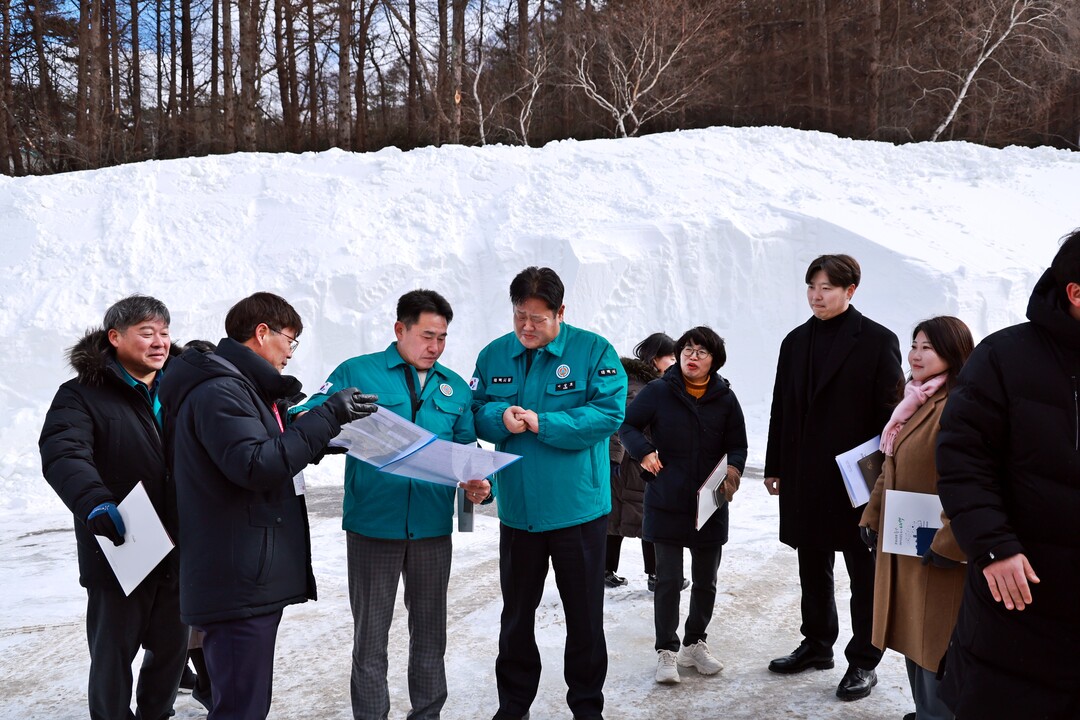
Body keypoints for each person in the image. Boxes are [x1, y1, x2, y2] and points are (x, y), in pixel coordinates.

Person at [158, 291, 378, 720]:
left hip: (241, 569)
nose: (291, 354)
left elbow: (262, 445)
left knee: (243, 701)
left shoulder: (238, 388)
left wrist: (319, 436)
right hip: (237, 574)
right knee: (241, 707)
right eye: (290, 341)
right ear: (262, 333)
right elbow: (256, 465)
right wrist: (325, 417)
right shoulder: (221, 390)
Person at [290, 289, 488, 720]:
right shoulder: (357, 372)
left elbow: (467, 452)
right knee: (371, 638)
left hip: (432, 529)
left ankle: (428, 714)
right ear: (400, 330)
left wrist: (477, 486)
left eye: (442, 338)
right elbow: (304, 420)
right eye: (426, 335)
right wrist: (327, 416)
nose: (434, 347)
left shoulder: (454, 388)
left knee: (431, 635)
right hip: (372, 527)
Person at [471, 266, 627, 720]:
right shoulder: (494, 355)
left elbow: (608, 413)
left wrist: (545, 422)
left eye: (537, 318)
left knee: (583, 619)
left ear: (561, 312)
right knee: (517, 619)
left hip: (579, 512)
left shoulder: (593, 351)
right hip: (519, 513)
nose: (526, 327)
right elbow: (474, 410)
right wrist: (499, 418)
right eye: (520, 315)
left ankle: (586, 706)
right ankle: (513, 705)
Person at [936, 230, 1080, 719]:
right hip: (1023, 598)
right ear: (1075, 292)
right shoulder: (1004, 356)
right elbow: (962, 461)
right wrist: (994, 545)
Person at [39, 294, 189, 720]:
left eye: (164, 332)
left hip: (180, 547)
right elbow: (64, 452)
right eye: (147, 333)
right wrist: (96, 503)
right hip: (120, 545)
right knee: (112, 659)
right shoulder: (81, 395)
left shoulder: (181, 389)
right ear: (115, 337)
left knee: (171, 654)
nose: (159, 342)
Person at [763, 254, 903, 701]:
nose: (817, 296)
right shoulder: (795, 341)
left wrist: (883, 478)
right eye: (811, 287)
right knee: (812, 563)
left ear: (850, 290)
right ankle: (818, 644)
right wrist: (774, 465)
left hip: (856, 480)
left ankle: (864, 659)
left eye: (826, 287)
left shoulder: (878, 340)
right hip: (806, 476)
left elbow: (891, 417)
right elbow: (780, 406)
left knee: (863, 571)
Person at [858, 316, 974, 720]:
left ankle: (937, 714)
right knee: (911, 634)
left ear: (954, 352)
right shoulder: (913, 400)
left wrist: (951, 542)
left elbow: (973, 482)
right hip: (906, 539)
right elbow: (889, 466)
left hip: (937, 546)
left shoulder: (958, 405)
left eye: (929, 347)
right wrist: (872, 517)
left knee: (935, 642)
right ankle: (924, 710)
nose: (917, 354)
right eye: (915, 344)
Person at [619, 326, 748, 685]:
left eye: (701, 353)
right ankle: (667, 650)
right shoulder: (660, 391)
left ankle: (695, 643)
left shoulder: (725, 398)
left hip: (711, 501)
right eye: (688, 350)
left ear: (714, 361)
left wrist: (733, 473)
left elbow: (738, 445)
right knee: (670, 580)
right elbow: (627, 426)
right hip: (666, 499)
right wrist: (643, 452)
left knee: (706, 581)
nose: (692, 357)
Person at [606, 332, 678, 591]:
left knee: (619, 519)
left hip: (633, 463)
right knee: (649, 518)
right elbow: (621, 424)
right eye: (671, 356)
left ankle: (605, 570)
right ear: (655, 358)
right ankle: (657, 576)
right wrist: (614, 459)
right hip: (634, 465)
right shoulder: (639, 387)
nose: (675, 361)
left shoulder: (643, 382)